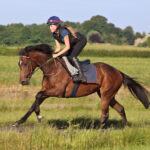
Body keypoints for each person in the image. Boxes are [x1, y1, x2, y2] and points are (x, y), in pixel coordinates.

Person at [47, 16, 87, 83]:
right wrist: (53, 54)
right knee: (62, 56)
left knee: (71, 57)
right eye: (50, 26)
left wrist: (56, 55)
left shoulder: (63, 31)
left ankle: (81, 76)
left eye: (52, 25)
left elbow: (67, 47)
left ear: (57, 25)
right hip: (72, 43)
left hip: (80, 41)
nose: (50, 27)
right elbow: (58, 48)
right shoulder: (54, 34)